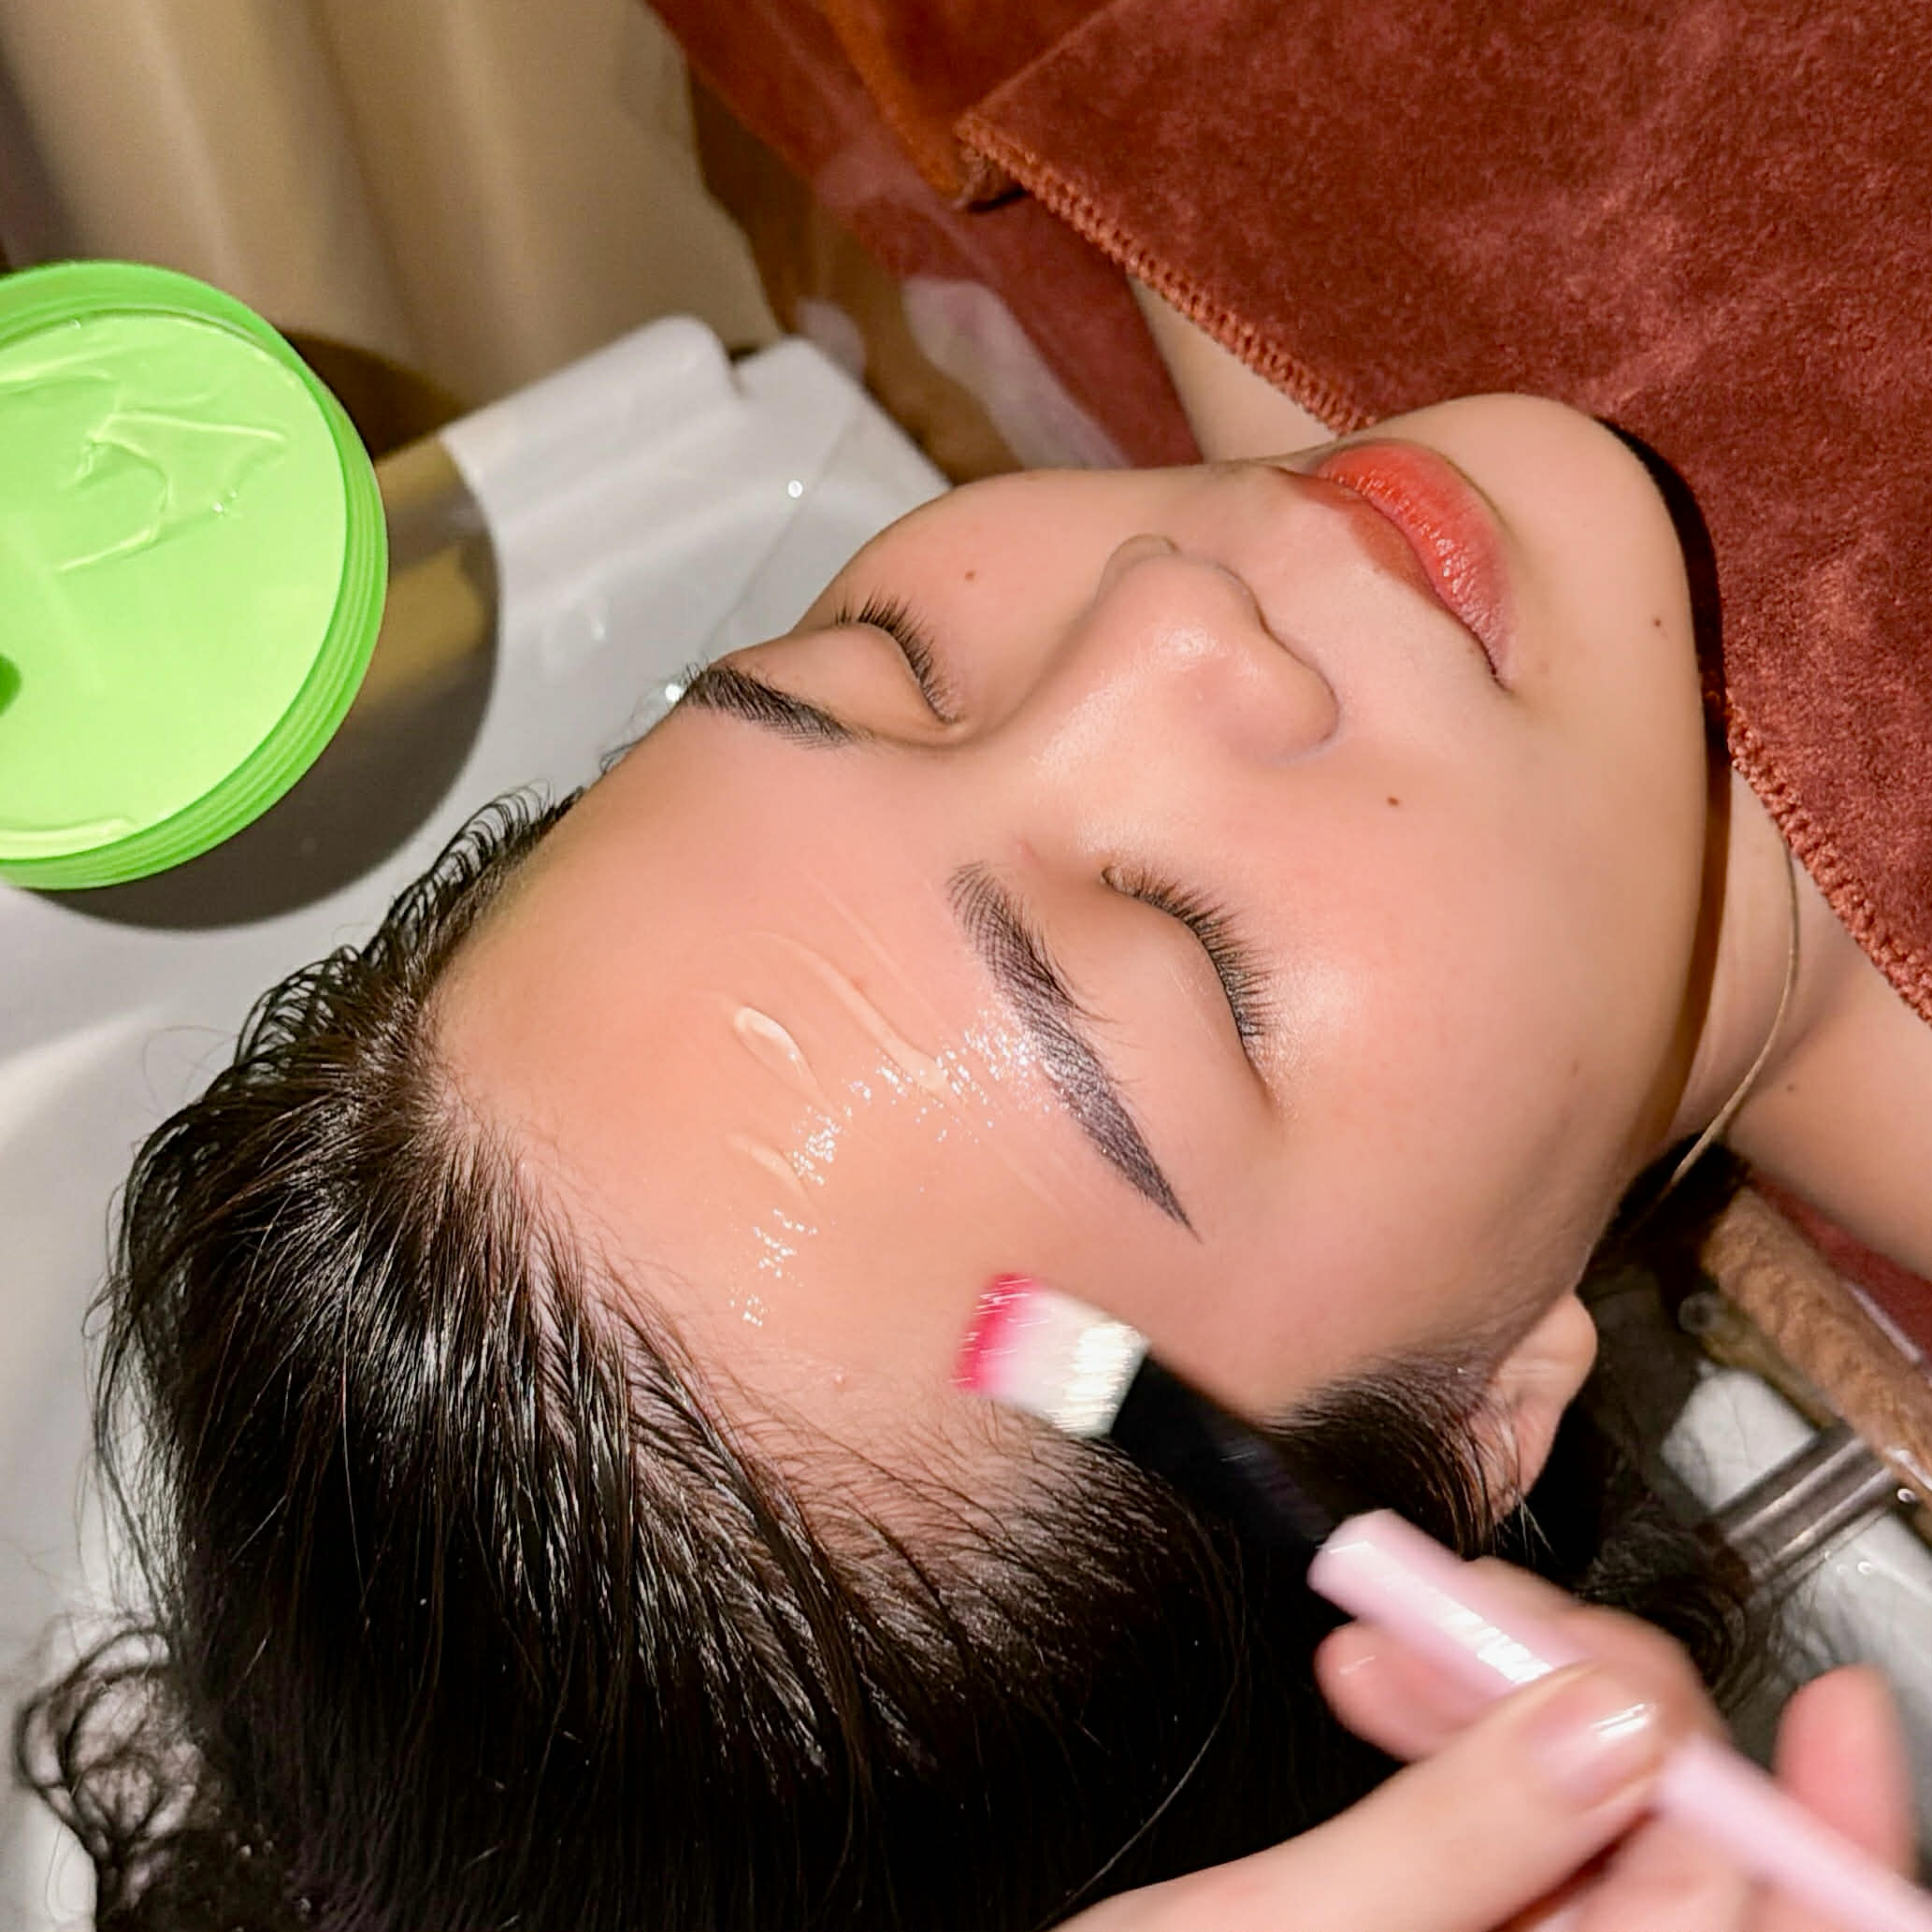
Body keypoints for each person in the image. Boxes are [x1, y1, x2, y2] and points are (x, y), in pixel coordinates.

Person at [16, 325, 1926, 1927]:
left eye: (883, 669)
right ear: (1484, 1416)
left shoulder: (1251, 250)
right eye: (1189, 957)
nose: (1162, 617)